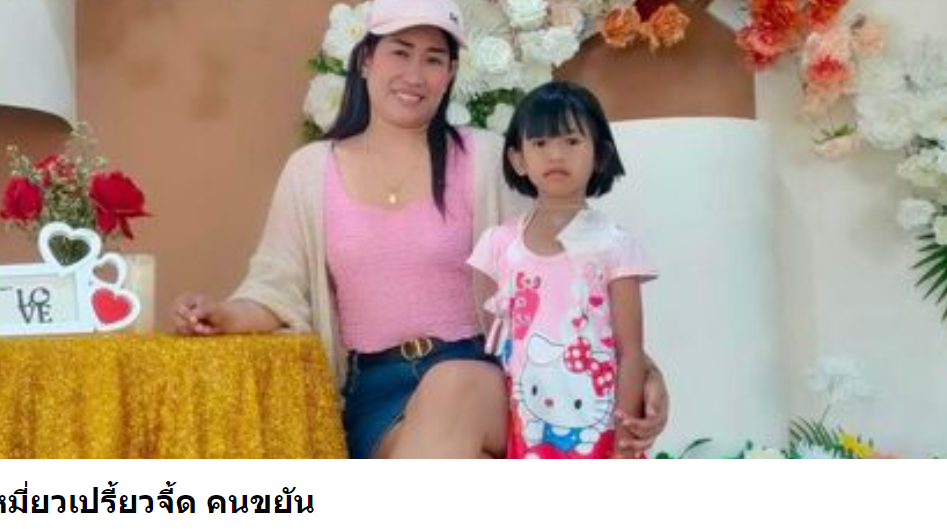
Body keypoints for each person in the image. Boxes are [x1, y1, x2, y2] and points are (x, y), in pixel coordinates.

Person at [174, 0, 669, 458]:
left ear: (450, 73)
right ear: (365, 60)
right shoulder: (311, 170)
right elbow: (276, 288)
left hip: (487, 376)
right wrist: (223, 315)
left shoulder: (486, 159)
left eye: (433, 59)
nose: (414, 74)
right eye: (400, 52)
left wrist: (643, 370)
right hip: (376, 390)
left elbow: (567, 276)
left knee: (453, 383)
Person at [469, 81, 655, 458]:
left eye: (571, 141)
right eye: (540, 143)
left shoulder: (615, 246)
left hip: (601, 434)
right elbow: (494, 340)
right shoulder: (497, 245)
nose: (556, 154)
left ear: (600, 154)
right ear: (518, 159)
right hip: (527, 430)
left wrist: (624, 445)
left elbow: (631, 353)